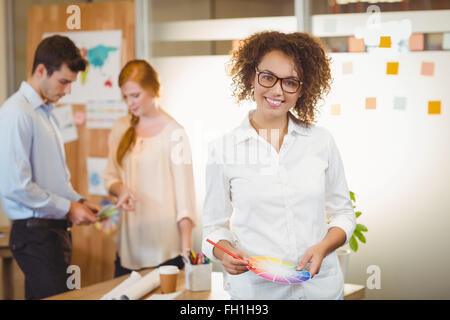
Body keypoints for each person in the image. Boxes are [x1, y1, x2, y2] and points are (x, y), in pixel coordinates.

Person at [202, 31, 356, 300]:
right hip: (258, 293)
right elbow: (213, 228)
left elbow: (343, 212)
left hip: (319, 290)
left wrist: (323, 247)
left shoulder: (321, 141)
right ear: (252, 76)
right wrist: (223, 251)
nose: (277, 90)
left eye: (290, 82)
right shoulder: (223, 149)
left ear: (302, 89)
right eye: (268, 77)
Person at [0, 35, 101, 300]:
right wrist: (69, 208)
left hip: (53, 234)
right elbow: (16, 186)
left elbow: (54, 179)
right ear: (41, 70)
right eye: (64, 82)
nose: (68, 90)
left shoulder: (46, 114)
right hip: (35, 235)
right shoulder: (16, 113)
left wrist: (78, 201)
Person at [103, 60, 196, 277]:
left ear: (154, 90)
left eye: (135, 95)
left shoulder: (175, 133)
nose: (130, 103)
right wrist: (121, 189)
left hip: (166, 252)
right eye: (125, 97)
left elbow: (185, 201)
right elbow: (110, 176)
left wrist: (187, 253)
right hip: (128, 250)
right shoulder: (121, 127)